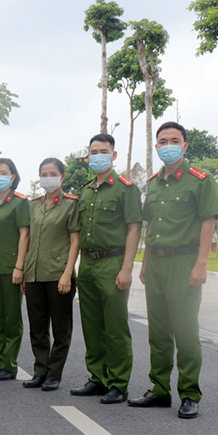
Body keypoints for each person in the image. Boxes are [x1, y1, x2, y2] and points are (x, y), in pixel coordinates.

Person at [129, 122, 218, 419]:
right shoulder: (154, 182)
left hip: (185, 262)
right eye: (163, 141)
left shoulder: (200, 180)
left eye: (174, 140)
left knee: (185, 331)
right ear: (156, 146)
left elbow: (208, 221)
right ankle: (159, 389)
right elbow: (150, 223)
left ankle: (190, 393)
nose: (168, 145)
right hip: (155, 261)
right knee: (158, 331)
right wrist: (145, 263)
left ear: (184, 146)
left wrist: (201, 264)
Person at [70, 134, 142, 404]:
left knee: (115, 327)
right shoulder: (87, 189)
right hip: (88, 262)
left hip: (113, 262)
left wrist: (126, 269)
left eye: (103, 151)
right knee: (92, 325)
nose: (97, 155)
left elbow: (135, 228)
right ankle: (98, 377)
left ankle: (119, 383)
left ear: (113, 155)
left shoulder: (126, 188)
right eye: (93, 151)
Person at [22, 158, 80, 391]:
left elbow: (75, 241)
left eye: (53, 173)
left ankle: (54, 373)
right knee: (37, 327)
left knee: (61, 328)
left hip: (58, 275)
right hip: (34, 273)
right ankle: (40, 370)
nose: (48, 177)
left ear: (62, 176)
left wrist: (67, 274)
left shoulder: (71, 204)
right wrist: (24, 271)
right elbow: (27, 239)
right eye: (44, 173)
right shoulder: (33, 205)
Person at [0, 158, 29, 381]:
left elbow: (24, 235)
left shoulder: (20, 202)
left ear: (12, 177)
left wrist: (19, 266)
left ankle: (10, 365)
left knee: (11, 318)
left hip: (11, 267)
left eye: (3, 172)